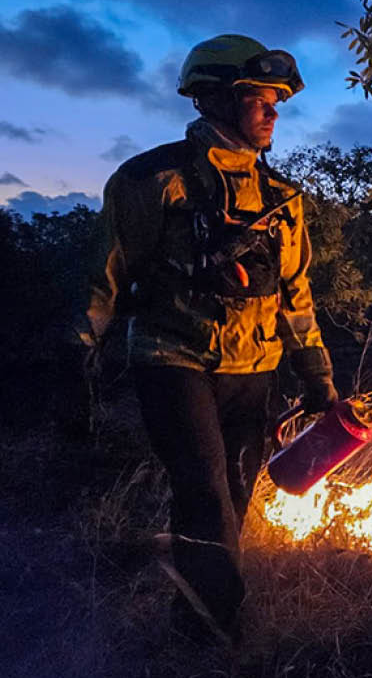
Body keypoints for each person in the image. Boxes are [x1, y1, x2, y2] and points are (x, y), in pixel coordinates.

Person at [80, 33, 338, 643]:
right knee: (204, 493)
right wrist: (78, 350)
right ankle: (221, 645)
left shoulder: (282, 199)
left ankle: (188, 623)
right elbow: (106, 274)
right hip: (173, 358)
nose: (274, 112)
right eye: (259, 99)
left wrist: (317, 376)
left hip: (255, 367)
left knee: (234, 502)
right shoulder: (151, 180)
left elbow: (295, 295)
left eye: (278, 101)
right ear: (215, 100)